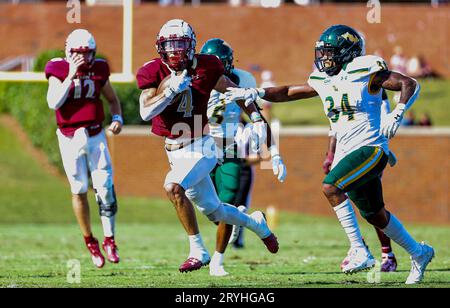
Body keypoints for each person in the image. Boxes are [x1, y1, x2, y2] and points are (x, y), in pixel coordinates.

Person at [226, 25, 434, 284]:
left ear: (348, 52)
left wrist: (398, 112)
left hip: (370, 148)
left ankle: (359, 249)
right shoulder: (324, 80)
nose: (324, 58)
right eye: (322, 52)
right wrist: (256, 92)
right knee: (375, 214)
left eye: (330, 52)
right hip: (347, 151)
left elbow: (408, 83)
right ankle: (419, 252)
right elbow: (290, 91)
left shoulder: (365, 70)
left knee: (331, 186)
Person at [136, 19, 280, 273]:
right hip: (174, 150)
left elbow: (235, 92)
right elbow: (146, 112)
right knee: (216, 211)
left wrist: (256, 118)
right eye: (169, 45)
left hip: (202, 146)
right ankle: (256, 223)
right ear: (160, 47)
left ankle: (198, 250)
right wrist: (169, 91)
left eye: (180, 44)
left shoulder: (208, 65)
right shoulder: (152, 71)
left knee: (173, 187)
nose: (175, 51)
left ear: (192, 45)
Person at [200, 38, 286, 276]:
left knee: (226, 204)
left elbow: (256, 115)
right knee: (211, 210)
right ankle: (252, 221)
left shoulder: (244, 79)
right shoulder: (195, 76)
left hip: (229, 146)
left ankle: (217, 262)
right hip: (201, 145)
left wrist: (274, 152)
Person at [45, 29, 123, 268]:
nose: (84, 58)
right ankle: (90, 241)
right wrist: (70, 74)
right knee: (79, 189)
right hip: (69, 137)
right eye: (78, 53)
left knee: (106, 187)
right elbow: (53, 103)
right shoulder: (58, 68)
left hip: (95, 132)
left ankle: (110, 239)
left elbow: (111, 98)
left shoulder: (99, 69)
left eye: (87, 53)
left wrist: (117, 117)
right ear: (68, 53)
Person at [324, 88, 399, 273]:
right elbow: (335, 127)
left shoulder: (373, 97)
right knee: (341, 195)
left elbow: (379, 128)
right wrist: (331, 155)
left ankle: (382, 252)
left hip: (367, 152)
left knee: (370, 207)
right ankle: (359, 247)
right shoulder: (341, 88)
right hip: (347, 151)